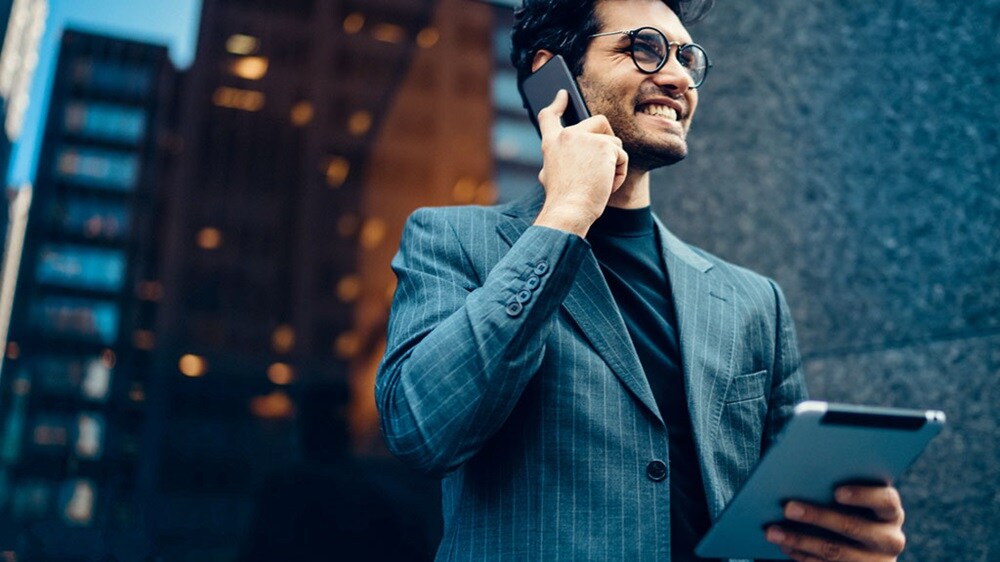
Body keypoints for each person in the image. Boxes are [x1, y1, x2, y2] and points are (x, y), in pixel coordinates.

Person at [375, 0, 908, 560]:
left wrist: (842, 542)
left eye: (687, 56)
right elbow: (420, 431)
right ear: (549, 74)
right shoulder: (451, 239)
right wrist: (565, 215)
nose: (678, 77)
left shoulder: (755, 301)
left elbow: (783, 521)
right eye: (646, 48)